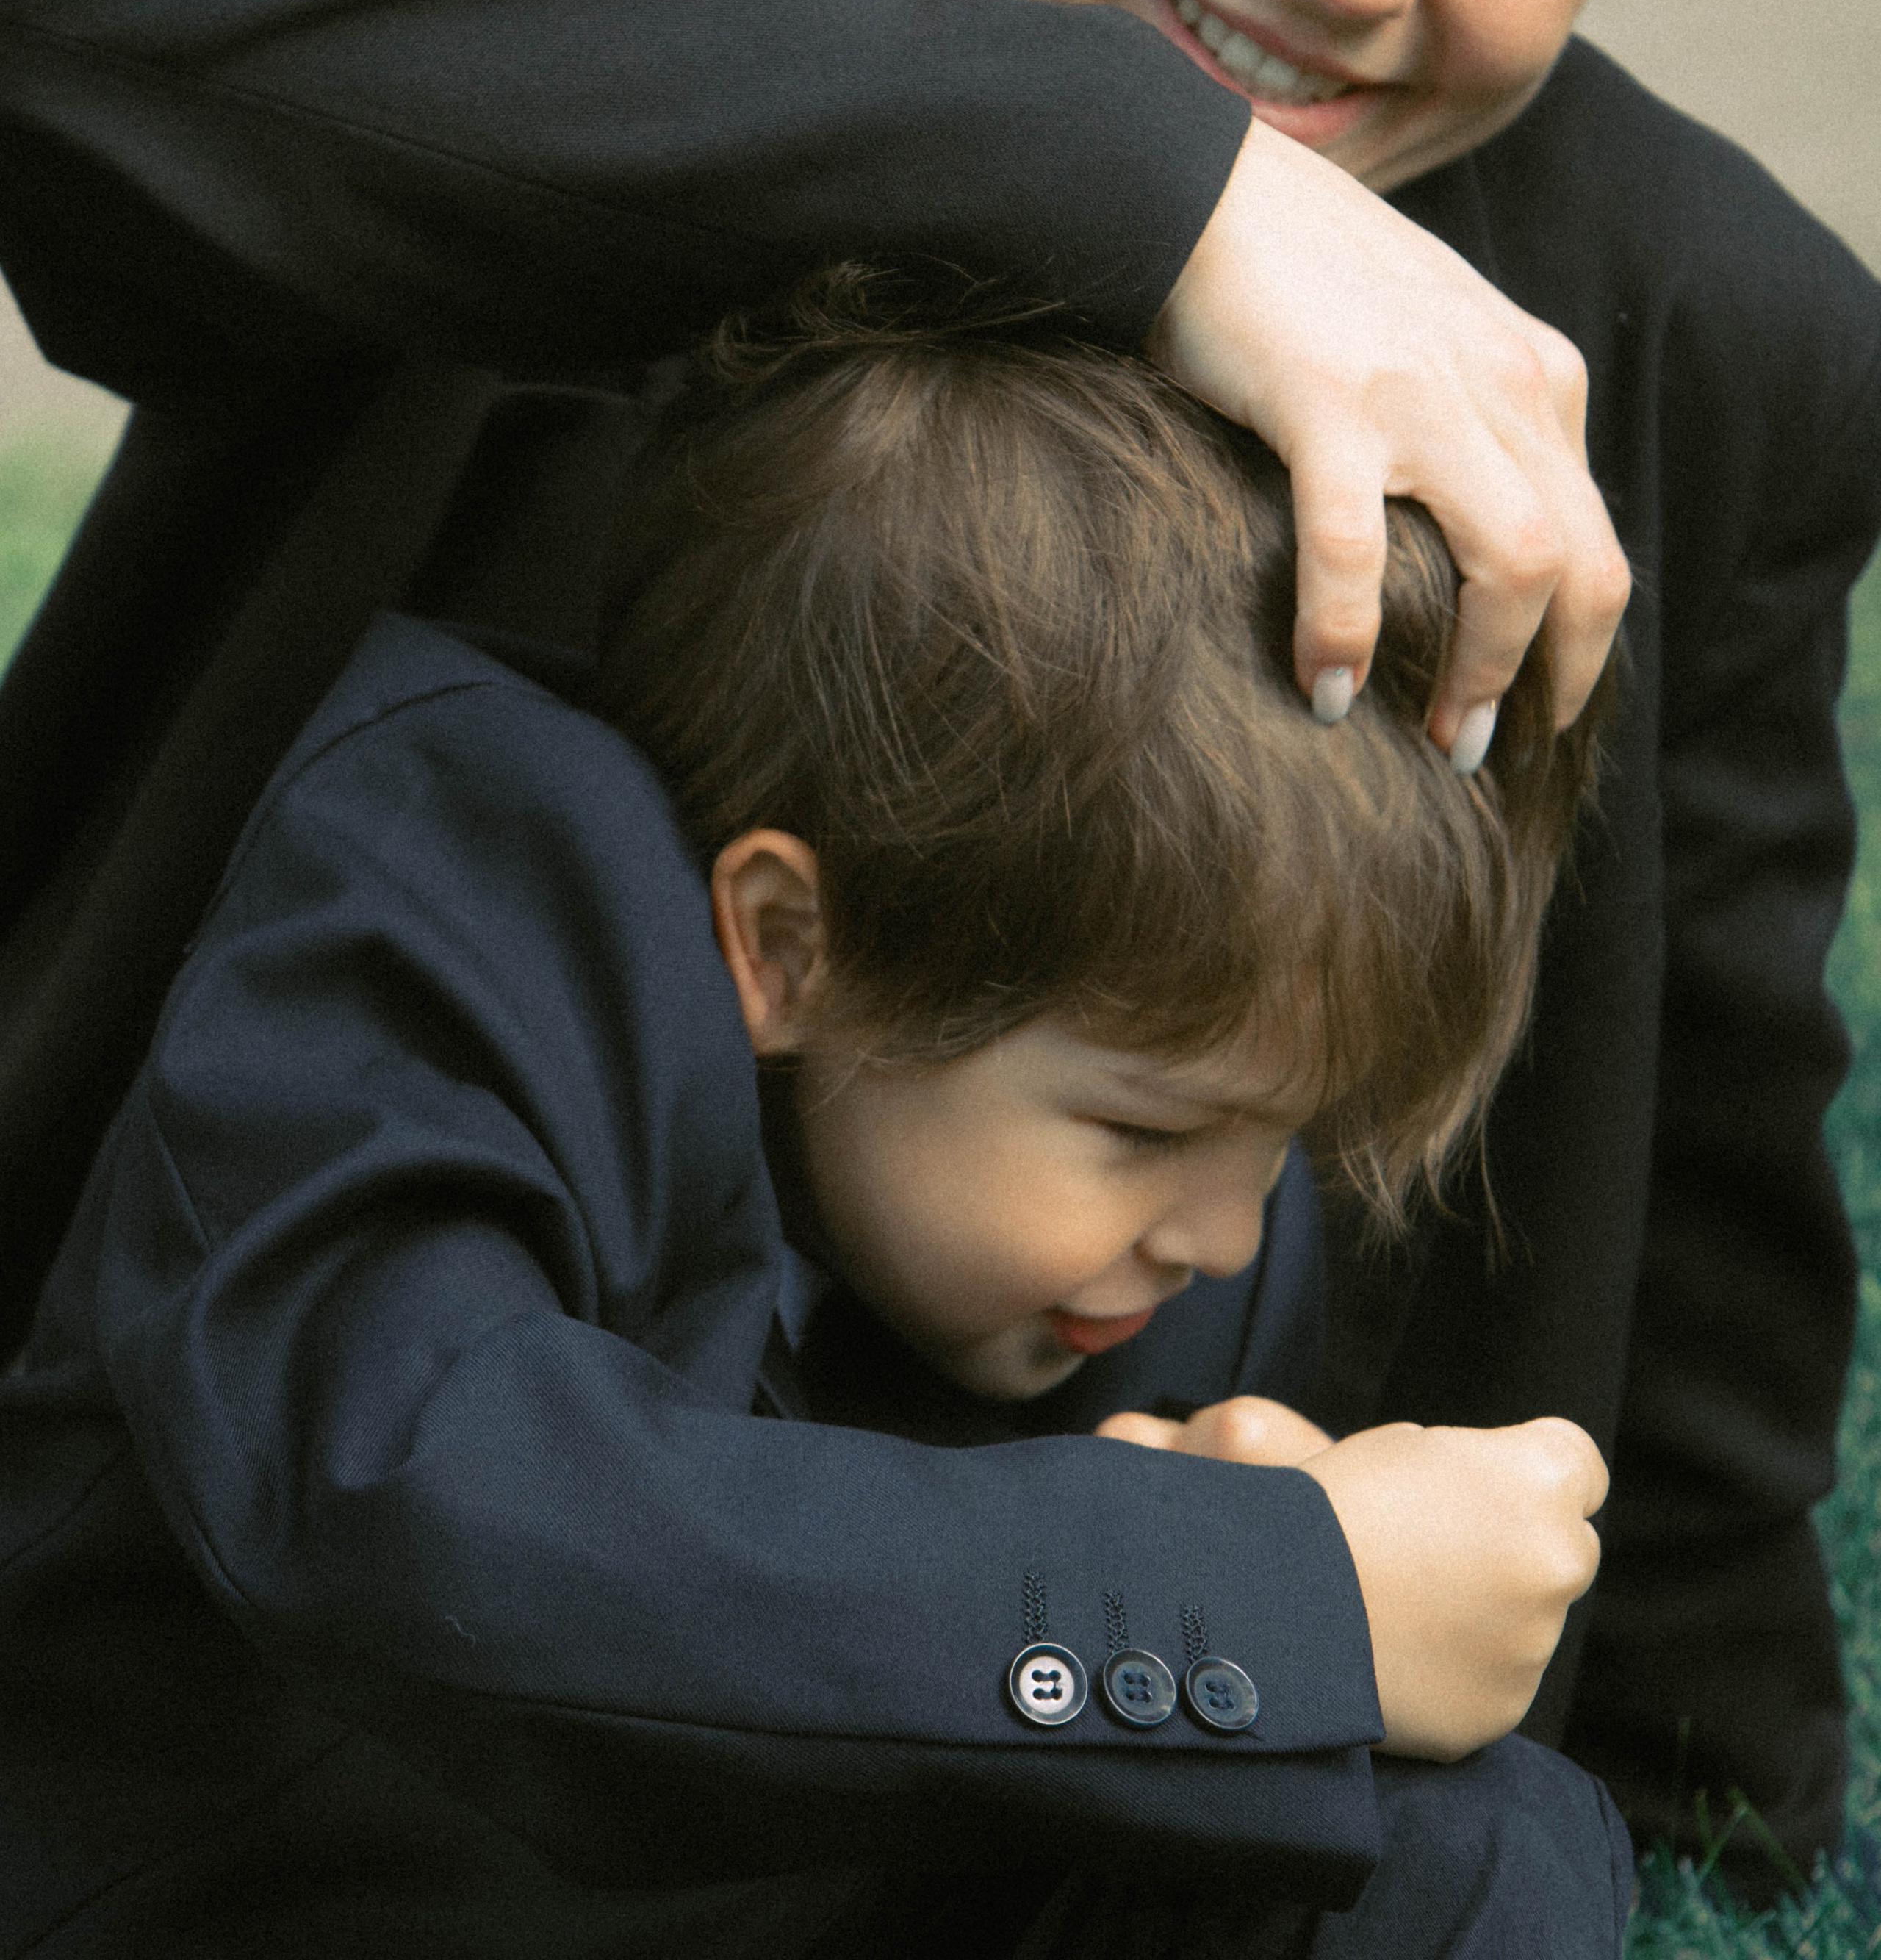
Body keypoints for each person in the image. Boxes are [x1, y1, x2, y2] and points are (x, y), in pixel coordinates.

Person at [0, 0, 1873, 1898]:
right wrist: (1137, 184)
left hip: (1072, 1659)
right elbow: (62, 44)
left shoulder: (1683, 323)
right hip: (294, 1609)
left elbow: (1701, 1151)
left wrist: (1717, 1800)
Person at [0, 289, 1630, 1957]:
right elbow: (411, 1526)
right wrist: (1252, 1589)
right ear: (786, 944)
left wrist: (1270, 1594)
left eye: (1283, 1141)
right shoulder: (458, 893)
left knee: (1471, 1843)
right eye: (1145, 1134)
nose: (1222, 1232)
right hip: (283, 1902)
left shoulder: (1157, 1229)